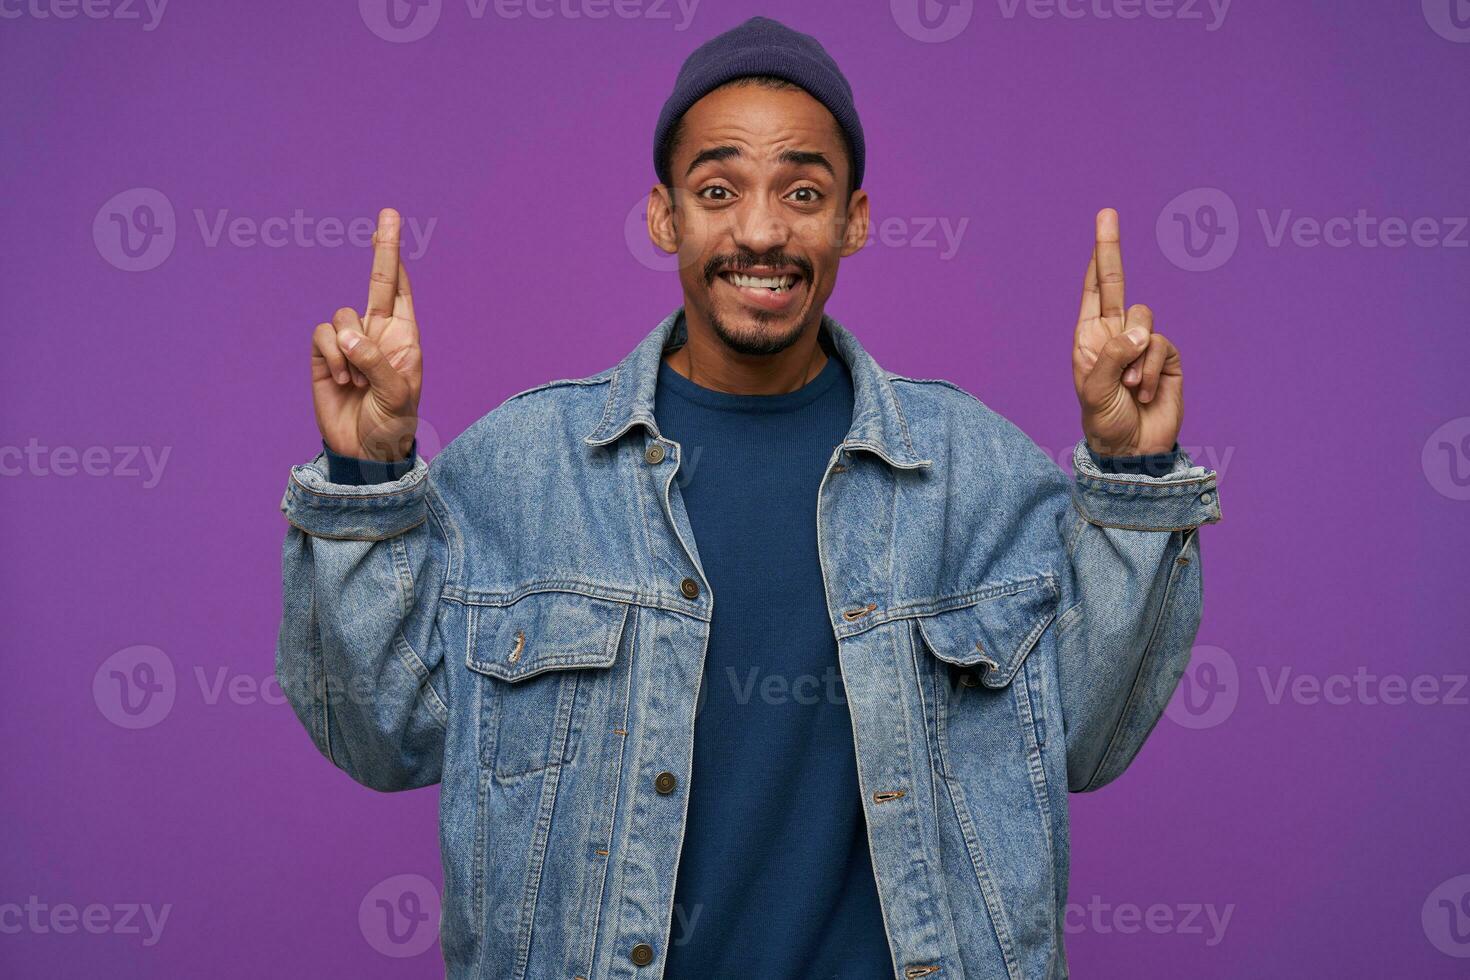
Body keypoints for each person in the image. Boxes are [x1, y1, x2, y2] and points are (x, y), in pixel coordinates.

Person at [276, 15, 1221, 979]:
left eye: (802, 192)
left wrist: (1131, 479)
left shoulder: (975, 474)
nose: (761, 230)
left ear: (853, 218)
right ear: (664, 216)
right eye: (718, 190)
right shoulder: (519, 470)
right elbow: (381, 737)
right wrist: (369, 480)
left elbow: (1085, 744)